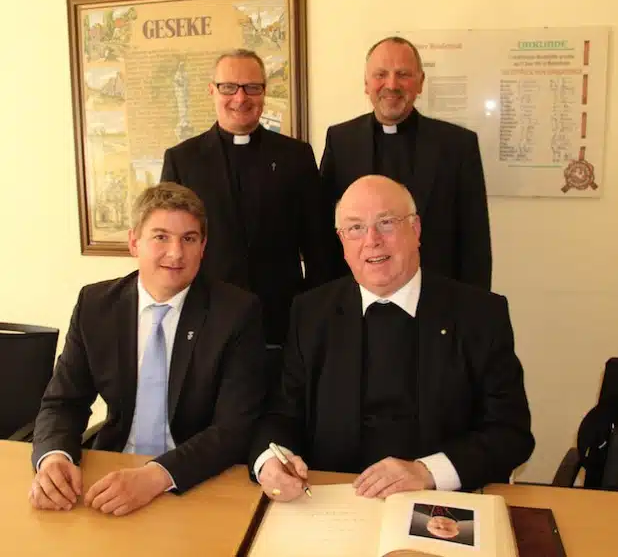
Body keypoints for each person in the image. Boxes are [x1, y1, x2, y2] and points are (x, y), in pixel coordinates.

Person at [250, 175, 533, 501]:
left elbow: (510, 433)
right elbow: (281, 414)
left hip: (441, 502)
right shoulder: (311, 312)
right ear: (342, 242)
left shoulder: (479, 314)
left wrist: (427, 472)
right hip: (333, 501)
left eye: (386, 223)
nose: (371, 240)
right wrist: (271, 461)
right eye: (355, 228)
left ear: (415, 230)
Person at [30, 183, 266, 516]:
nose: (176, 253)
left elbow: (234, 429)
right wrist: (55, 457)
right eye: (160, 237)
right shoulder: (96, 305)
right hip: (112, 470)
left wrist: (156, 476)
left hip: (196, 480)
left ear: (203, 247)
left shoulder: (236, 313)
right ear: (133, 242)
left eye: (189, 239)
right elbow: (64, 401)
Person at [161, 49, 334, 373]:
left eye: (252, 87)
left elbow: (318, 248)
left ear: (264, 92)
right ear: (212, 90)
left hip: (280, 323)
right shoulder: (183, 160)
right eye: (229, 87)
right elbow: (171, 248)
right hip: (206, 323)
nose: (241, 98)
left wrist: (314, 318)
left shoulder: (296, 156)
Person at [320, 36, 492, 289]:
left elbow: (474, 241)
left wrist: (476, 312)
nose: (392, 84)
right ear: (366, 84)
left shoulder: (457, 146)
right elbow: (326, 233)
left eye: (403, 74)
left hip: (437, 298)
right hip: (358, 299)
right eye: (381, 74)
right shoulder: (341, 141)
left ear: (420, 82)